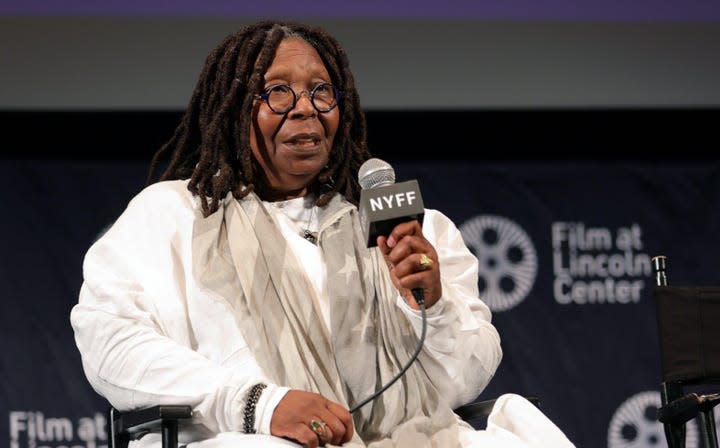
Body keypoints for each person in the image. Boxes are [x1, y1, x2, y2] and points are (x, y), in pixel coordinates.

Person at [70, 20, 575, 448]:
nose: (305, 107)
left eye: (320, 91)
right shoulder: (174, 216)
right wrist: (256, 404)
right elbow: (110, 342)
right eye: (278, 92)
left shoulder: (409, 229)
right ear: (233, 106)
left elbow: (460, 382)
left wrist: (431, 308)